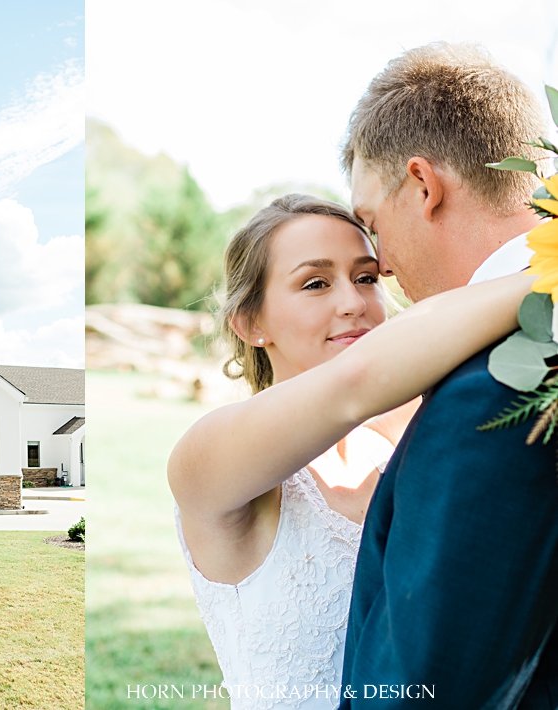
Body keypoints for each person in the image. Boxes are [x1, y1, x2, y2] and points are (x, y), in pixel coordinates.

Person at [167, 193, 536, 708]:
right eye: (315, 283)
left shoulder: (417, 430)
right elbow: (354, 385)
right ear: (251, 324)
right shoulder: (207, 459)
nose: (354, 302)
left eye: (367, 277)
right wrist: (546, 276)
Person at [338, 43, 558, 708]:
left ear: (424, 186)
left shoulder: (494, 392)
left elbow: (417, 691)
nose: (381, 265)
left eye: (372, 225)